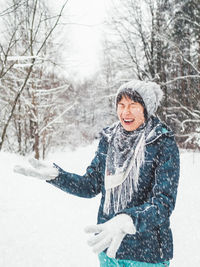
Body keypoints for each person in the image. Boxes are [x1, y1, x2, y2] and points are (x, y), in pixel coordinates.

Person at [14, 79, 180, 267]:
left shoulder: (161, 142)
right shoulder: (109, 139)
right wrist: (58, 177)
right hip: (109, 249)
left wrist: (129, 219)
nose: (125, 112)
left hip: (147, 254)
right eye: (121, 105)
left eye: (133, 105)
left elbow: (163, 203)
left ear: (146, 108)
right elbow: (90, 184)